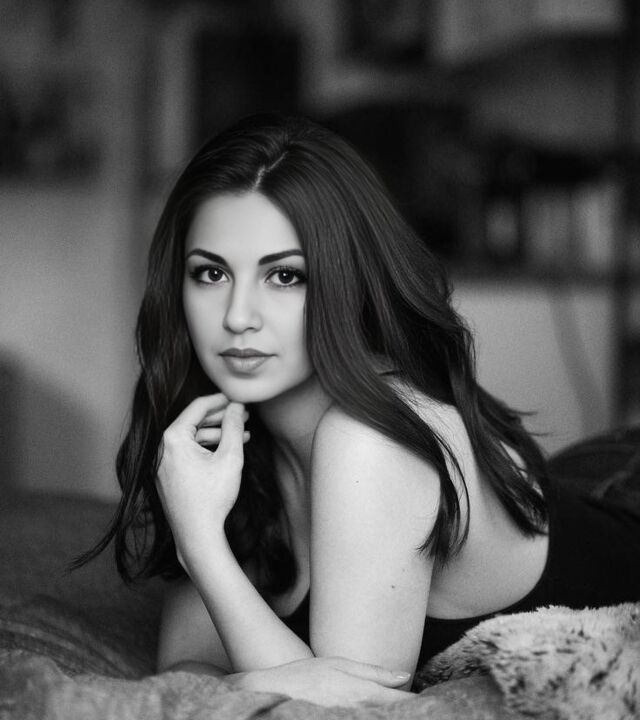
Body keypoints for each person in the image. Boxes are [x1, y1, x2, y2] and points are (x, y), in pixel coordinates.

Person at [77, 113, 640, 707]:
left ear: (346, 280)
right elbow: (186, 667)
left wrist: (202, 546)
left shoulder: (370, 439)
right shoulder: (221, 435)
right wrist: (263, 673)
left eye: (285, 276)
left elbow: (347, 711)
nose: (238, 316)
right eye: (211, 273)